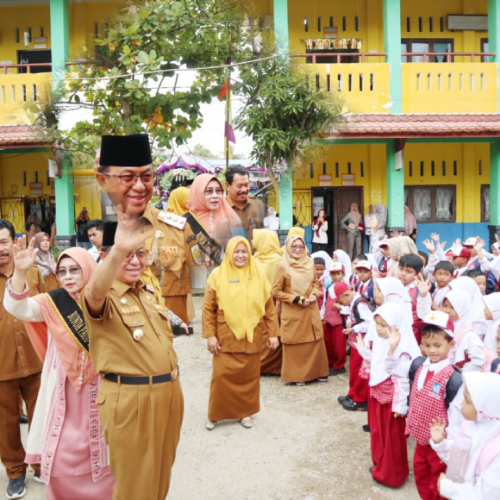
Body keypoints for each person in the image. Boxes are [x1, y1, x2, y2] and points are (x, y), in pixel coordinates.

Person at [89, 133, 186, 499]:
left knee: (159, 485)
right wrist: (118, 251)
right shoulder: (102, 292)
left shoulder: (146, 289)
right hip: (131, 402)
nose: (133, 261)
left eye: (138, 255)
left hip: (167, 395)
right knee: (134, 491)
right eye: (127, 176)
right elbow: (94, 296)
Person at [4, 241, 115, 500]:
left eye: (74, 270)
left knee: (105, 447)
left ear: (88, 269)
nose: (67, 277)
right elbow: (16, 307)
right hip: (64, 389)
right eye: (62, 271)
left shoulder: (107, 299)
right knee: (63, 450)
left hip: (104, 387)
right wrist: (20, 273)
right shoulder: (53, 303)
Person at [203, 237, 280, 430]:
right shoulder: (217, 275)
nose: (240, 255)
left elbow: (269, 307)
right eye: (236, 251)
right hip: (225, 336)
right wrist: (210, 335)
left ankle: (245, 412)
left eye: (244, 251)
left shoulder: (258, 274)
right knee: (221, 376)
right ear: (229, 252)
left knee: (249, 377)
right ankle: (215, 415)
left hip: (252, 335)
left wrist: (273, 334)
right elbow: (208, 308)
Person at [395, 311, 464, 500]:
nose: (431, 350)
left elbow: (456, 418)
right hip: (421, 441)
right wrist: (392, 348)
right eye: (426, 345)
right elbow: (392, 368)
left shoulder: (453, 379)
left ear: (451, 344)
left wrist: (446, 444)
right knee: (422, 479)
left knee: (439, 486)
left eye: (437, 345)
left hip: (440, 445)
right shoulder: (418, 365)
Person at [0, 219, 44, 499]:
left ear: (13, 242)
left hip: (37, 358)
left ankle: (41, 463)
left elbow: (49, 309)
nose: (0, 248)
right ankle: (15, 472)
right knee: (6, 423)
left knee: (43, 416)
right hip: (2, 365)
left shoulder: (34, 272)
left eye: (3, 242)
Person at [356, 302, 420, 487]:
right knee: (378, 432)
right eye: (378, 324)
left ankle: (392, 474)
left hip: (392, 401)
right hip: (377, 394)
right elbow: (375, 359)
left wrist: (401, 406)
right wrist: (362, 349)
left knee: (392, 436)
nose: (380, 329)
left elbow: (403, 380)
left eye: (385, 325)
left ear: (397, 325)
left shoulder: (403, 347)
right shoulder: (382, 341)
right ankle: (380, 464)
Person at [431, 372, 500, 499]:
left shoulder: (496, 449)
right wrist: (441, 443)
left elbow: (486, 495)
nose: (461, 404)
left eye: (467, 401)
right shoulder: (471, 425)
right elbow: (459, 457)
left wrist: (448, 488)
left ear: (484, 407)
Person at [272, 234, 329, 385]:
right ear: (288, 247)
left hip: (310, 308)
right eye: (294, 246)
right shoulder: (282, 266)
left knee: (314, 341)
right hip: (293, 310)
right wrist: (296, 299)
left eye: (301, 246)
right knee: (296, 343)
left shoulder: (310, 263)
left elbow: (316, 284)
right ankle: (298, 376)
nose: (298, 249)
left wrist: (314, 294)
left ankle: (318, 372)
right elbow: (276, 291)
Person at [186, 173, 242, 264]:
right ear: (197, 193)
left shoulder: (230, 219)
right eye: (209, 191)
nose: (215, 195)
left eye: (218, 191)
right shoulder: (186, 221)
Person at [336, 283, 374, 411]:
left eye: (340, 301)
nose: (341, 304)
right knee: (354, 370)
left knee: (360, 371)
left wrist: (354, 328)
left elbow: (370, 324)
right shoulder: (354, 303)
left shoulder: (360, 304)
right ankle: (352, 393)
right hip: (356, 343)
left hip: (362, 343)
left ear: (346, 295)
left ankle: (360, 400)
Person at [252, 229, 283, 376]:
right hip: (261, 302)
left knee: (268, 332)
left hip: (269, 301)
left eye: (255, 239)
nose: (252, 242)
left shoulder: (275, 260)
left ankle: (265, 366)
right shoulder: (257, 258)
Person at [162, 187, 192, 324]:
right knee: (175, 300)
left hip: (181, 268)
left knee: (181, 299)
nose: (190, 202)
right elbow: (169, 249)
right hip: (174, 269)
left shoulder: (184, 218)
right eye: (187, 199)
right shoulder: (172, 221)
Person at [225, 164, 265, 241]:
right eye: (239, 186)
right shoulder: (220, 208)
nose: (244, 189)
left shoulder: (258, 205)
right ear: (228, 186)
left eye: (246, 185)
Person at [322, 263, 348, 376]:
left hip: (339, 319)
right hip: (329, 318)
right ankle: (331, 362)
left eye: (338, 273)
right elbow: (325, 302)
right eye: (333, 274)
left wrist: (341, 308)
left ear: (343, 274)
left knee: (339, 344)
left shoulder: (344, 287)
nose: (335, 276)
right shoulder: (329, 287)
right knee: (329, 342)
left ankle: (339, 365)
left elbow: (349, 303)